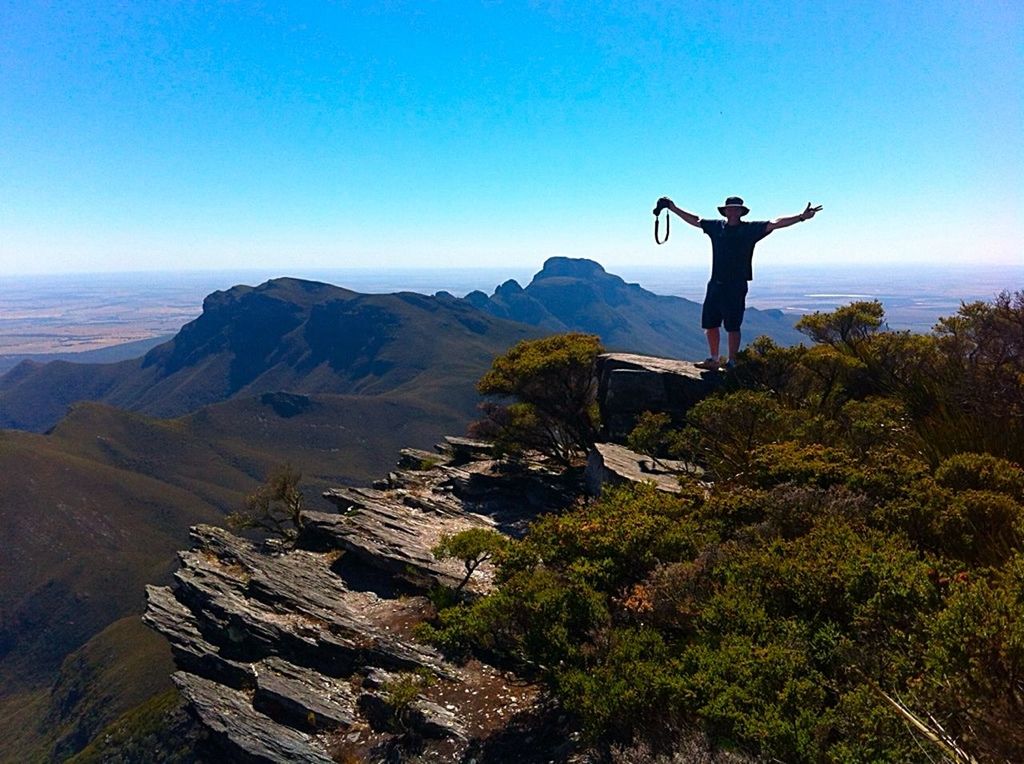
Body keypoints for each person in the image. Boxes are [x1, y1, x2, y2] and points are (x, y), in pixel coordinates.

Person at [656, 195, 822, 370]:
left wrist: (801, 217)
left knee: (733, 325)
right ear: (725, 211)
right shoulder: (716, 227)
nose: (732, 211)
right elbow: (696, 220)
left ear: (741, 212)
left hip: (736, 284)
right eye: (730, 208)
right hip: (716, 283)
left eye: (736, 208)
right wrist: (673, 208)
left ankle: (732, 361)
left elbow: (775, 223)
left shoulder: (750, 229)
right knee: (710, 324)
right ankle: (714, 359)